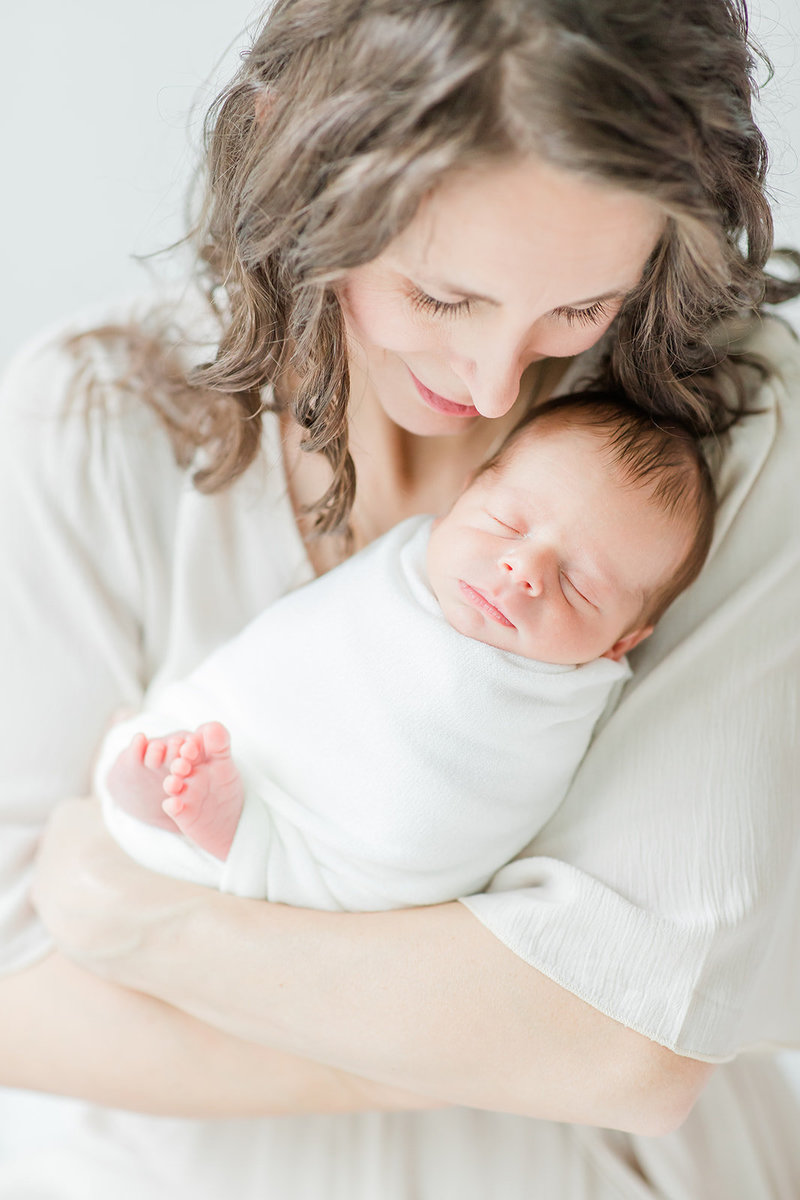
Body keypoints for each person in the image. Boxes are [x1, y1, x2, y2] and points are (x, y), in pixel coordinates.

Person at [2, 0, 800, 1196]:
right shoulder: (97, 417)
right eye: (442, 298)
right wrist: (500, 1038)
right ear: (297, 175)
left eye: (578, 308)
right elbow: (14, 999)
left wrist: (141, 921)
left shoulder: (733, 436)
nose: (488, 385)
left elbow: (629, 1049)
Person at [96, 393, 714, 907]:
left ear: (621, 643)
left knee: (329, 836)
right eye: (506, 524)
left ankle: (248, 839)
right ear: (465, 494)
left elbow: (444, 813)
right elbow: (301, 653)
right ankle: (173, 744)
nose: (524, 569)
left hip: (347, 858)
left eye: (579, 586)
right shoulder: (405, 564)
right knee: (182, 736)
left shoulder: (553, 704)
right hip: (243, 744)